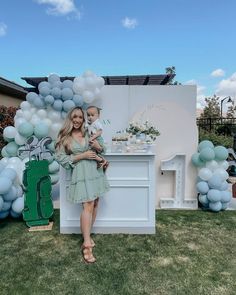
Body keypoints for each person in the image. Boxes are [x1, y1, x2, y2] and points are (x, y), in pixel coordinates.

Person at [55, 107, 109, 263]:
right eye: (74, 117)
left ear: (84, 119)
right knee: (87, 205)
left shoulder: (89, 132)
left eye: (80, 117)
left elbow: (102, 148)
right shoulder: (65, 137)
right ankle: (86, 245)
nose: (77, 120)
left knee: (95, 203)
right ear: (70, 119)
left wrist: (98, 148)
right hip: (81, 174)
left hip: (95, 172)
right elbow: (61, 158)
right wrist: (81, 155)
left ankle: (87, 235)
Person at [86, 106, 109, 171]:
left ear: (98, 116)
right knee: (92, 152)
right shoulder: (89, 124)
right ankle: (101, 161)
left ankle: (101, 161)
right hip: (92, 138)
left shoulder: (97, 123)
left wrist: (93, 137)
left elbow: (100, 131)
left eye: (92, 115)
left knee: (93, 152)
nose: (90, 117)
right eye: (88, 115)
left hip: (98, 139)